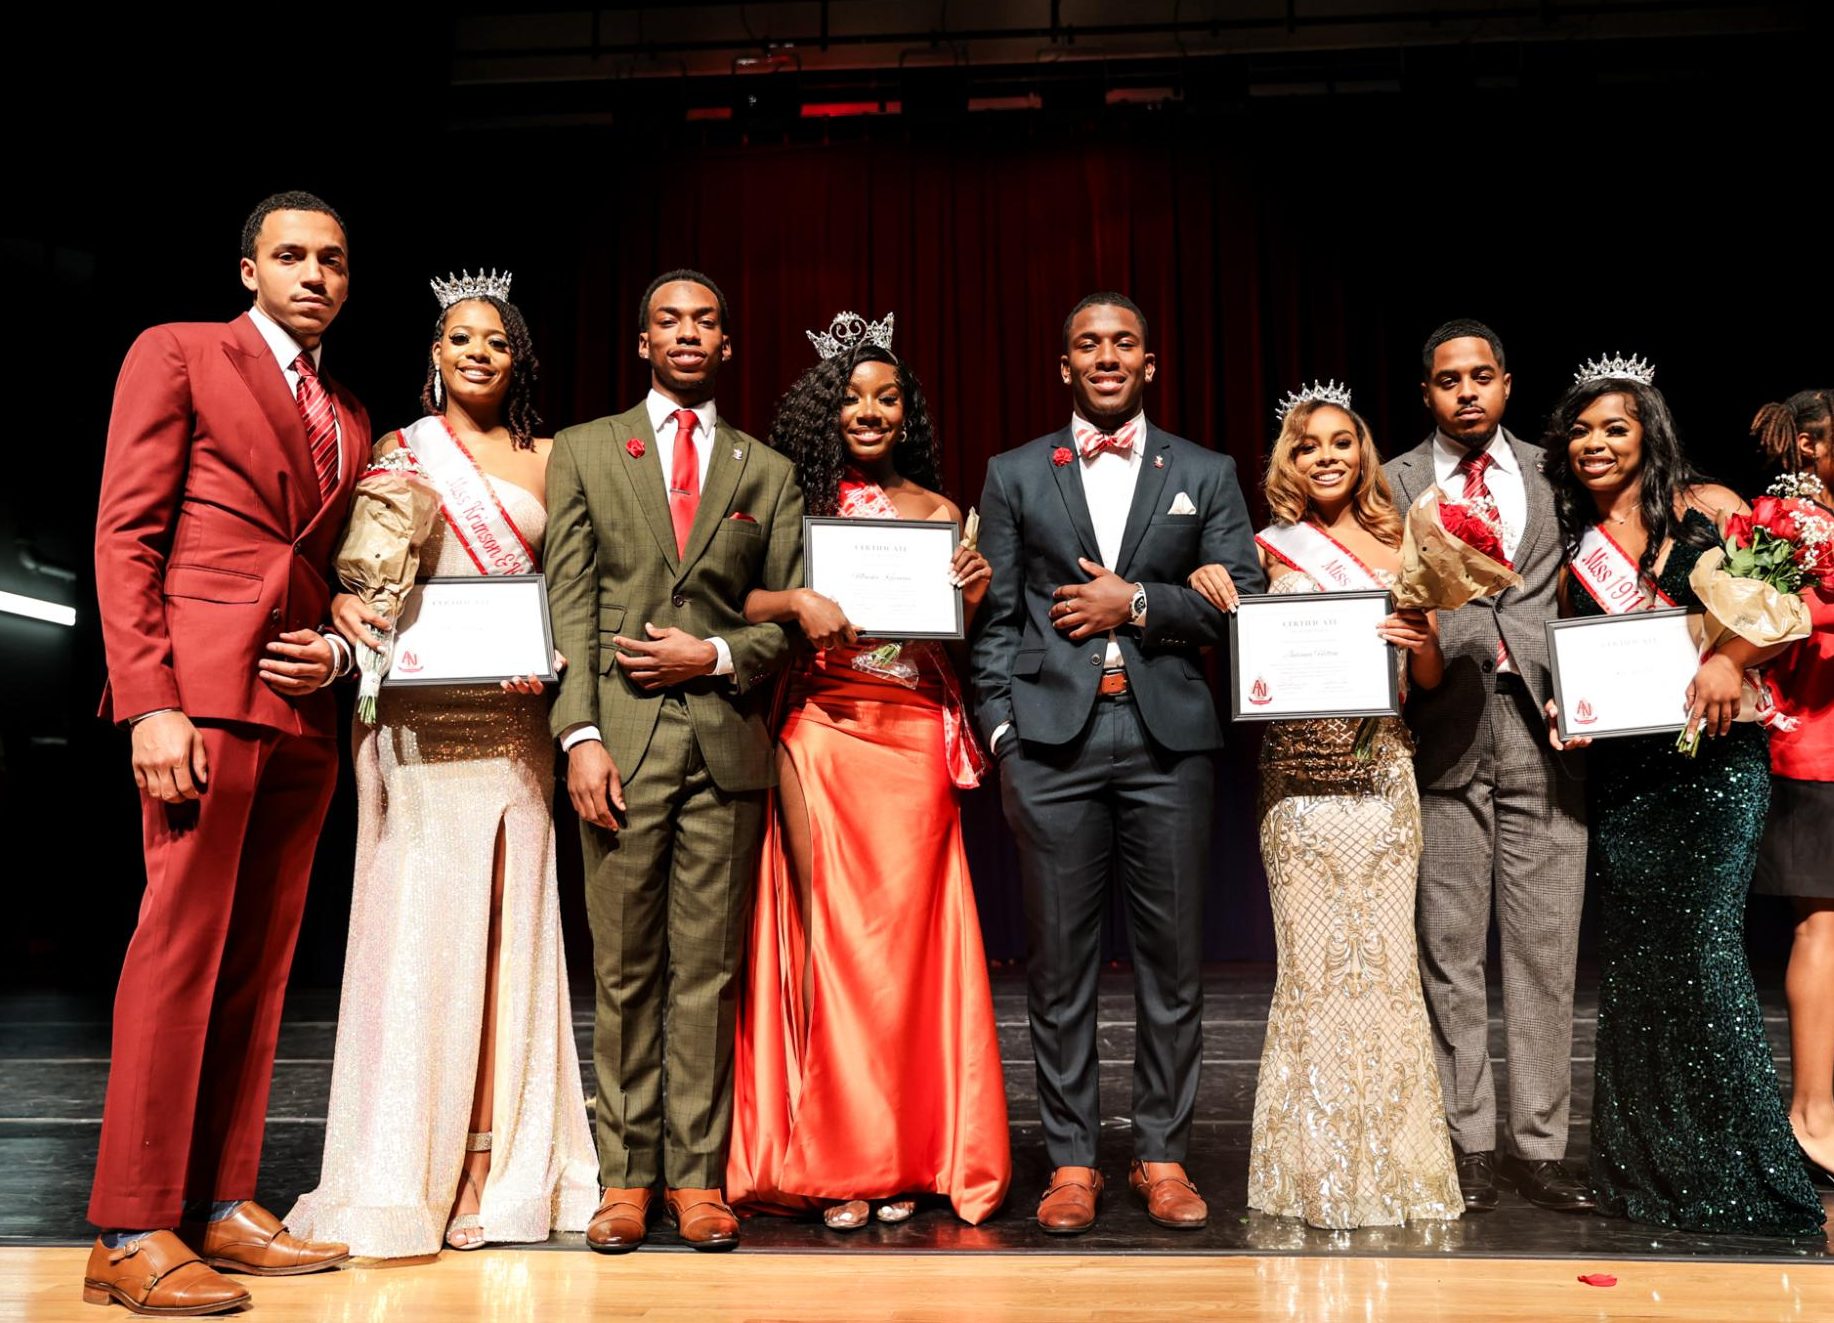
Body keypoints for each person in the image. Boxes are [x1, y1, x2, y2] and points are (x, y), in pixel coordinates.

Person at [85, 192, 367, 1315]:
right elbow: (126, 531)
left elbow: (341, 569)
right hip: (198, 696)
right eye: (291, 255)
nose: (314, 274)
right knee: (178, 953)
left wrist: (342, 650)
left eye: (333, 260)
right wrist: (151, 701)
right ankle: (130, 1225)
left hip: (299, 709)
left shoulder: (344, 407)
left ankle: (219, 1202)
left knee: (259, 968)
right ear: (247, 267)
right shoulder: (178, 351)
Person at [286, 274, 598, 1256]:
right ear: (436, 352)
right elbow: (370, 591)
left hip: (511, 731)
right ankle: (409, 1162)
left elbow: (575, 594)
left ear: (519, 361)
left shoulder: (555, 461)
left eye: (496, 342)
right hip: (419, 726)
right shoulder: (399, 454)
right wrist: (350, 614)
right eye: (460, 338)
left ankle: (492, 1161)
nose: (477, 353)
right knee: (422, 945)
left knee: (509, 944)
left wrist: (549, 661)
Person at [970, 291, 1261, 1235]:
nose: (1106, 356)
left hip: (1167, 744)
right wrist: (1004, 734)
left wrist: (1137, 603)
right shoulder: (1013, 473)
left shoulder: (1205, 471)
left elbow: (1238, 601)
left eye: (1123, 342)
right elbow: (999, 618)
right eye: (1088, 344)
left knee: (1172, 962)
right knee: (1060, 966)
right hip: (1050, 747)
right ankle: (1069, 1160)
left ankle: (1163, 1153)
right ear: (1065, 366)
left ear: (1149, 362)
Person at [726, 315, 1011, 1230]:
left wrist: (972, 593)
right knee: (833, 942)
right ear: (825, 409)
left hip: (913, 734)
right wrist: (795, 598)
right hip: (822, 733)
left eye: (888, 397)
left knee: (907, 954)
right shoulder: (786, 498)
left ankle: (905, 1152)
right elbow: (735, 597)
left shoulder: (937, 511)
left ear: (907, 411)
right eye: (852, 396)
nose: (870, 410)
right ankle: (843, 1157)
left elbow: (955, 639)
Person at [546, 269, 805, 1252]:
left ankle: (696, 1179)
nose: (687, 333)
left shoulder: (765, 471)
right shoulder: (582, 451)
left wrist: (721, 653)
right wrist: (577, 736)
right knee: (621, 972)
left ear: (726, 344)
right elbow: (567, 606)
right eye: (668, 320)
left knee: (706, 973)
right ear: (641, 340)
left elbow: (786, 620)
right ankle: (627, 1179)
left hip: (726, 748)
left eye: (705, 321)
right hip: (616, 743)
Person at [1543, 356, 1823, 1236]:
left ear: (1648, 434)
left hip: (1714, 771)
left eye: (1614, 428)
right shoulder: (1570, 545)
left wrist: (1729, 657)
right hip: (1630, 776)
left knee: (1703, 956)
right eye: (1582, 431)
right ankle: (1645, 1171)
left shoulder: (1713, 507)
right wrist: (1568, 710)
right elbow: (1577, 660)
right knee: (1635, 970)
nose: (1595, 444)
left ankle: (1748, 1170)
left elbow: (1785, 615)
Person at [1188, 385, 1462, 1229]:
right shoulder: (1265, 549)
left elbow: (1426, 683)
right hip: (1296, 789)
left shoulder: (1408, 540)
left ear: (1364, 451)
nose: (1327, 456)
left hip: (1382, 777)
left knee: (1383, 972)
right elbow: (1232, 636)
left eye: (1342, 441)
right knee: (1312, 976)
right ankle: (1315, 1173)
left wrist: (1423, 644)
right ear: (1289, 463)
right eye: (1308, 446)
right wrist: (1205, 580)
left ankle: (1398, 1167)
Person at [1382, 320, 1593, 1215]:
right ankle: (1466, 1139)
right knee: (1450, 946)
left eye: (1480, 377)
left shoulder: (1558, 468)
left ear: (1507, 383)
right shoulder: (1392, 481)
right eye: (1446, 380)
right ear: (1426, 392)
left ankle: (1538, 1147)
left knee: (1546, 950)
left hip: (1548, 727)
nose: (1465, 392)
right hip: (1442, 727)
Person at [1748, 390, 1834, 1185]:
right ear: (1809, 445)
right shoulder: (1781, 518)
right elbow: (1769, 621)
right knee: (1825, 924)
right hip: (1817, 740)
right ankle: (1812, 1113)